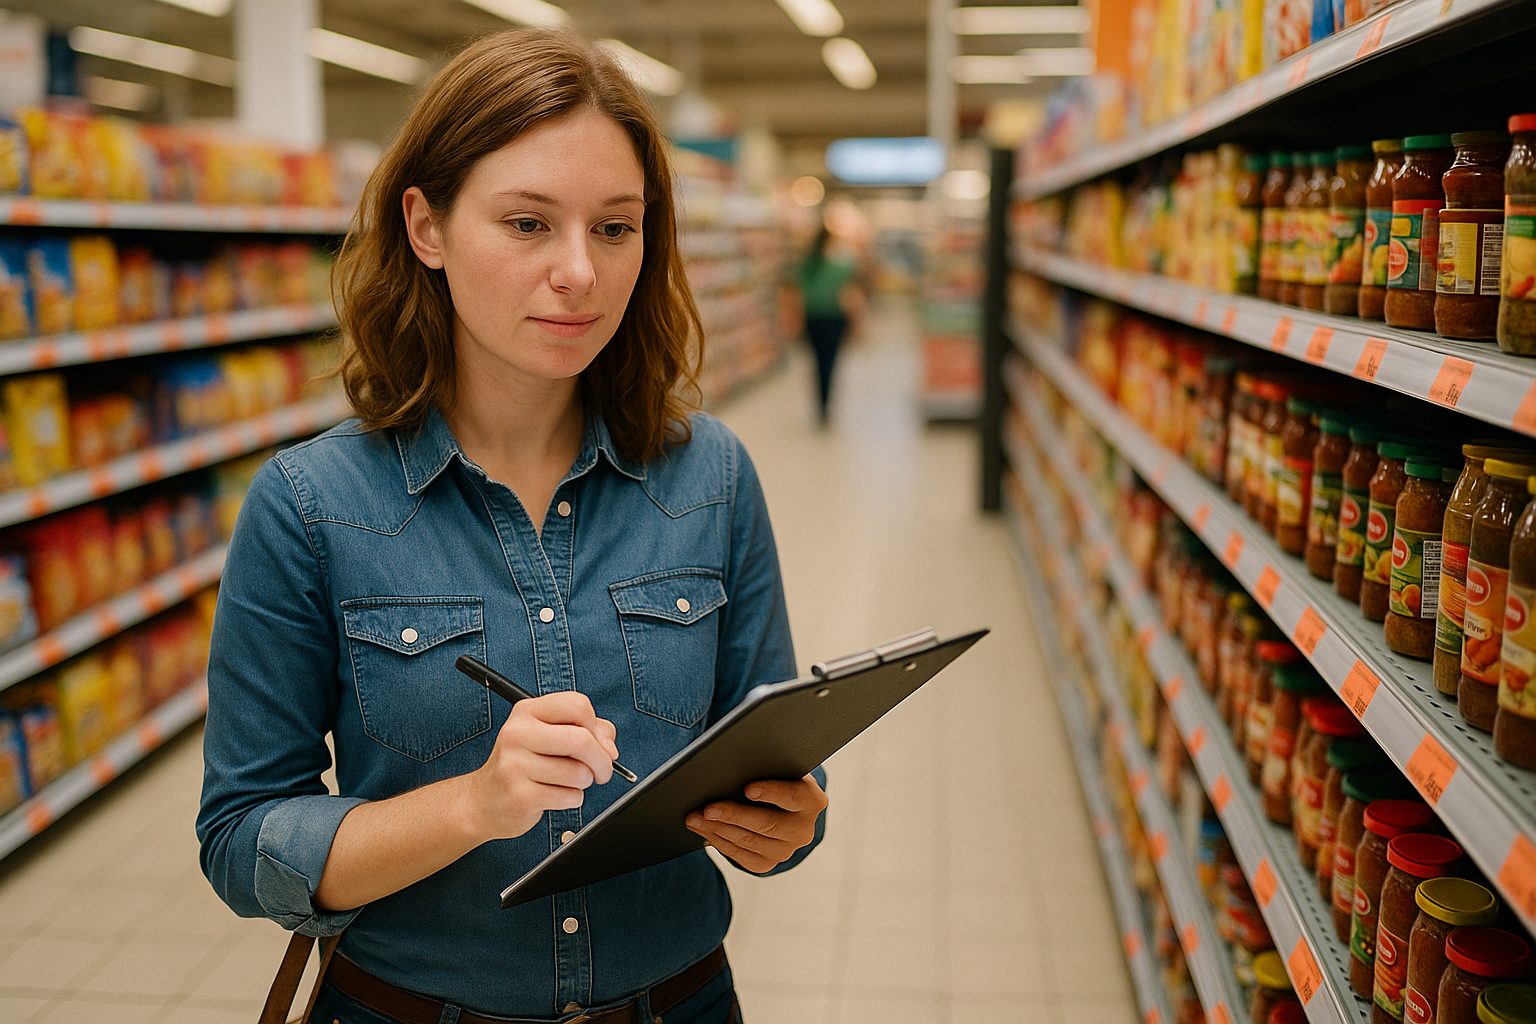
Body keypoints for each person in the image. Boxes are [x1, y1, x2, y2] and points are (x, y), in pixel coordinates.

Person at [196, 29, 827, 1024]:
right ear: (427, 226)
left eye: (615, 229)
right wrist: (471, 805)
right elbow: (242, 841)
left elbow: (772, 748)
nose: (580, 271)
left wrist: (788, 821)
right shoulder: (310, 504)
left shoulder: (710, 476)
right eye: (529, 222)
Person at [796, 220, 861, 423]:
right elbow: (849, 296)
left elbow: (798, 294)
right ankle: (826, 403)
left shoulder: (807, 265)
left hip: (813, 318)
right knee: (830, 361)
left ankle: (820, 402)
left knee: (817, 362)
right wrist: (856, 322)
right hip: (834, 318)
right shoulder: (842, 266)